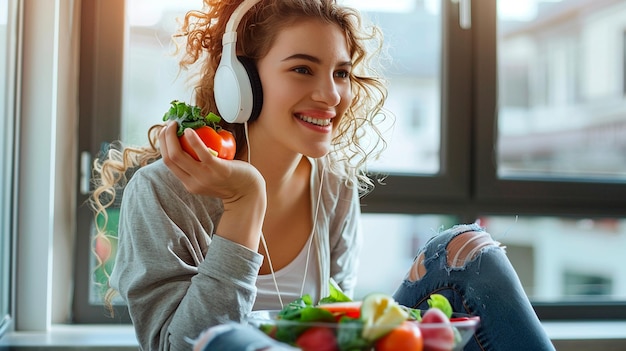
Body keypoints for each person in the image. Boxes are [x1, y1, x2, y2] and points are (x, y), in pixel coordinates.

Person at [89, 0, 556, 350]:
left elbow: (335, 327)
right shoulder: (161, 193)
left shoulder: (333, 187)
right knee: (226, 341)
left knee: (467, 251)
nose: (329, 95)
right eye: (302, 69)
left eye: (340, 73)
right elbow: (184, 346)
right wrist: (245, 203)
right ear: (241, 83)